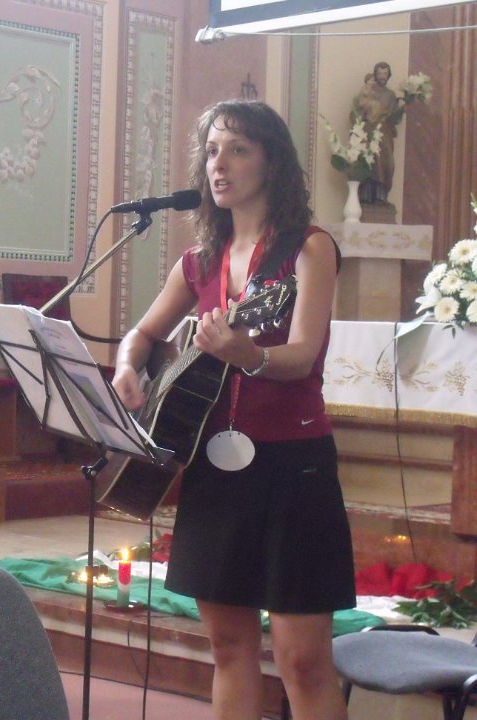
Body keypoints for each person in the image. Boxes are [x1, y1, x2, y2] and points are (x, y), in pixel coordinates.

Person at [112, 100, 354, 720]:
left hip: (293, 467)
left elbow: (302, 354)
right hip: (214, 469)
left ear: (272, 164)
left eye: (239, 150)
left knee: (303, 660)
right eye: (213, 151)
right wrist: (127, 367)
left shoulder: (308, 249)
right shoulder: (199, 262)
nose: (219, 165)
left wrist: (249, 355)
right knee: (228, 647)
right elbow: (141, 335)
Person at [353, 61, 399, 204]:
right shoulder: (368, 92)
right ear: (375, 75)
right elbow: (358, 111)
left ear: (388, 75)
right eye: (379, 73)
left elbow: (394, 117)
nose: (382, 76)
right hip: (368, 131)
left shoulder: (391, 95)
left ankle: (381, 195)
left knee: (386, 163)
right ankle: (366, 195)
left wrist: (403, 108)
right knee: (369, 161)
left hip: (384, 134)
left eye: (385, 73)